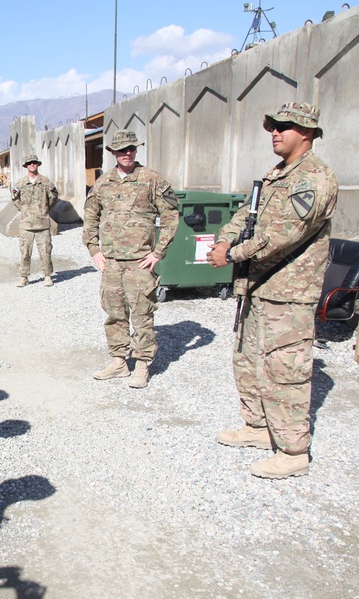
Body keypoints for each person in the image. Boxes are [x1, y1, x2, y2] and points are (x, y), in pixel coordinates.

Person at [208, 102, 337, 479]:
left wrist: (231, 253)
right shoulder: (276, 174)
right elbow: (245, 217)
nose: (275, 132)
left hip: (288, 293)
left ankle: (294, 451)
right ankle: (261, 428)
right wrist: (223, 240)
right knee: (248, 363)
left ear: (308, 132)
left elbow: (283, 234)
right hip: (257, 288)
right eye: (273, 127)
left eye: (285, 126)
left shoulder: (315, 178)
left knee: (285, 371)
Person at [82, 130, 179, 389]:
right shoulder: (103, 182)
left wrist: (158, 252)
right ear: (113, 153)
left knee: (142, 313)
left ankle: (143, 364)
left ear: (136, 150)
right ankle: (118, 362)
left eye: (131, 149)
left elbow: (171, 217)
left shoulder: (151, 179)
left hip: (139, 262)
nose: (127, 153)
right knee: (114, 313)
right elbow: (90, 215)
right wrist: (94, 249)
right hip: (111, 261)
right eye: (121, 150)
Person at [11, 154, 59, 287]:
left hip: (42, 223)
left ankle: (47, 276)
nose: (32, 165)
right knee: (25, 252)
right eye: (29, 163)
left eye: (34, 163)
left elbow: (54, 196)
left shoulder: (45, 182)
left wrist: (45, 209)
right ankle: (24, 277)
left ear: (38, 165)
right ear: (26, 166)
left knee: (45, 251)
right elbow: (14, 198)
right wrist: (24, 210)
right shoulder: (20, 183)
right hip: (26, 224)